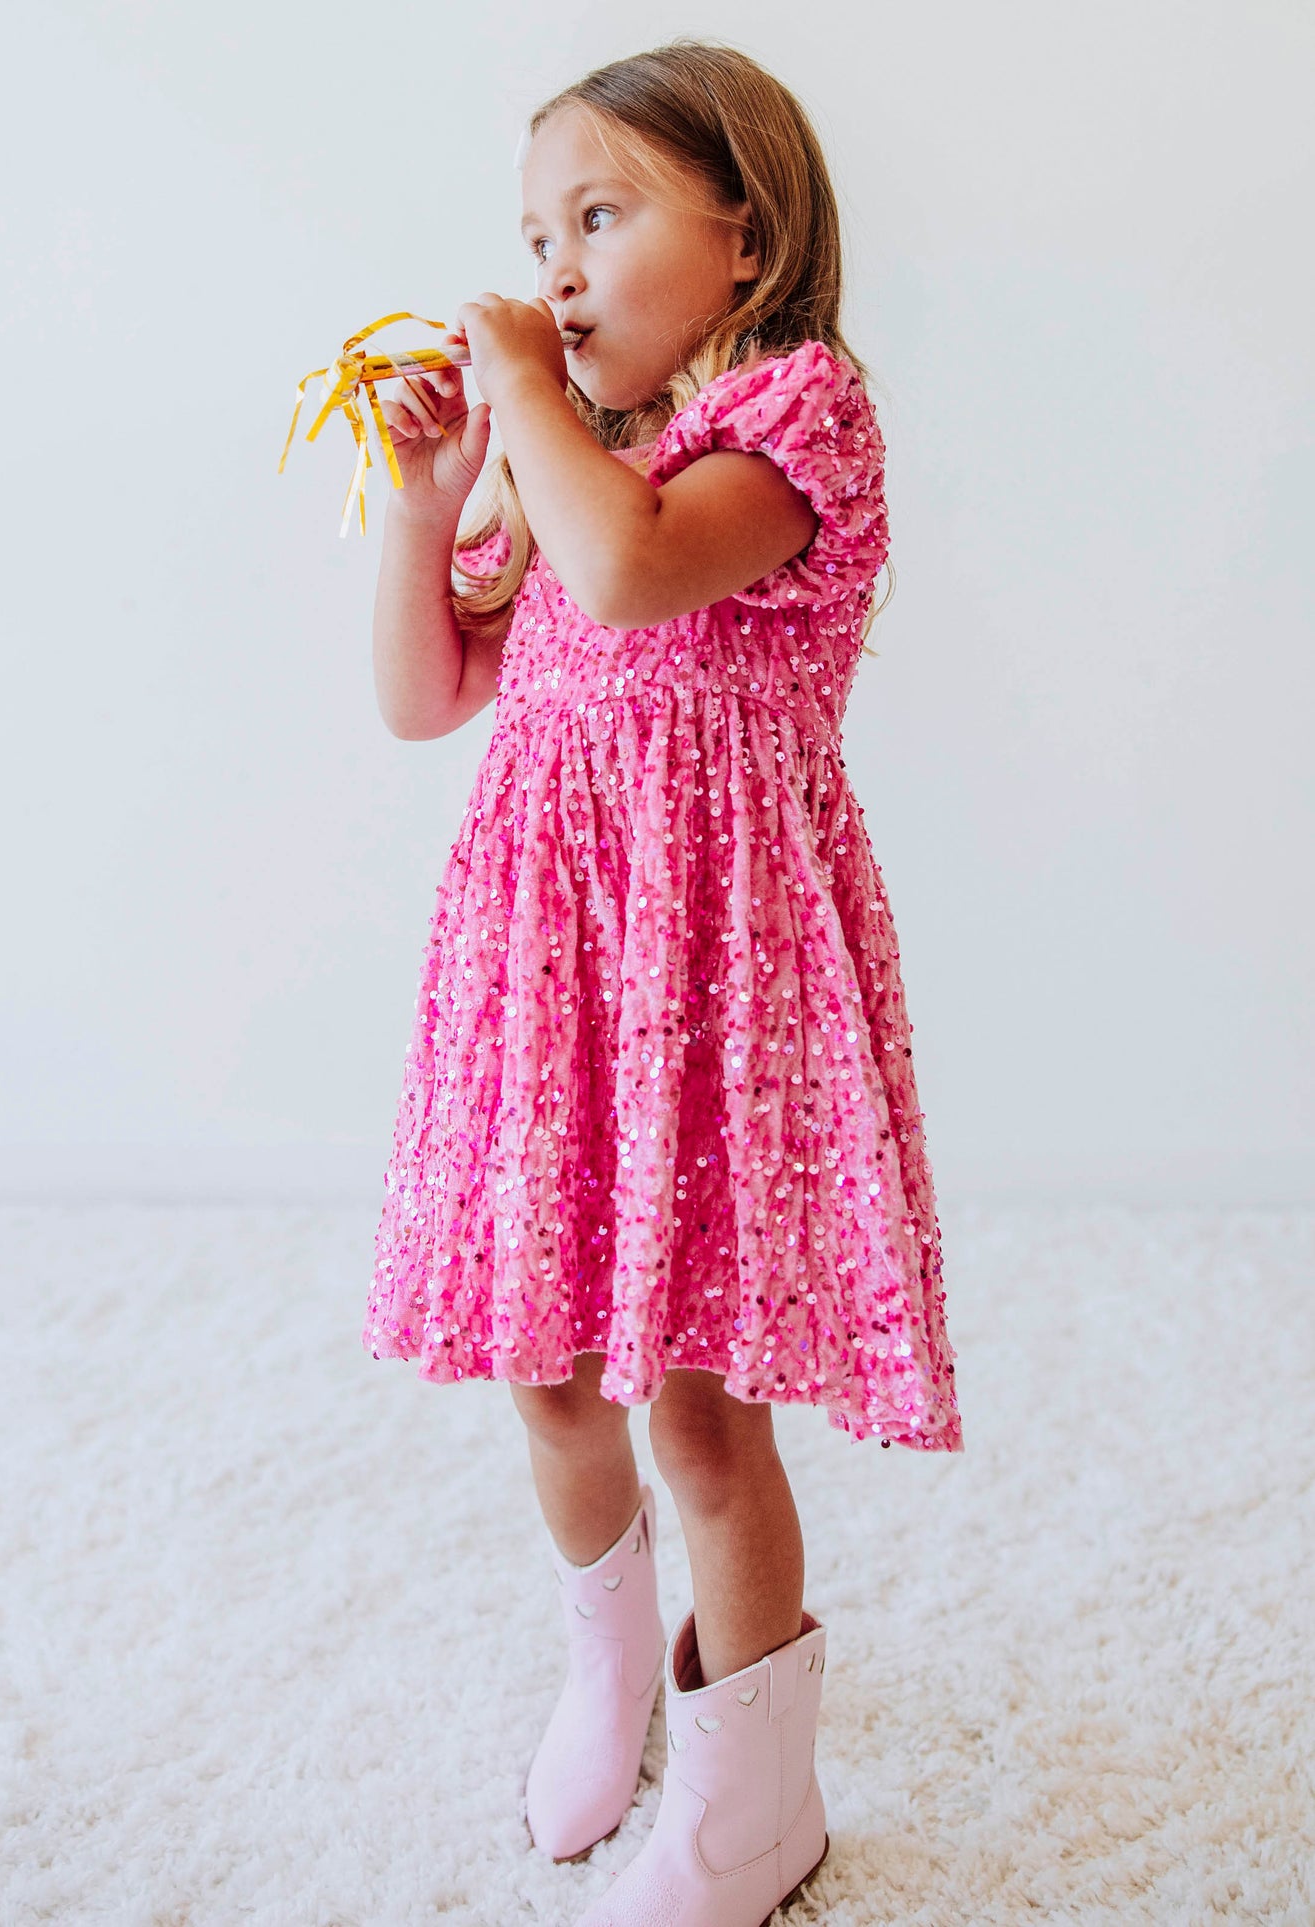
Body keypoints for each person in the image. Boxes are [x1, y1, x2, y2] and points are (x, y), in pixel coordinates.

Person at [360, 38, 962, 1925]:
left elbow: (629, 579)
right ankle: (606, 1669)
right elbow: (423, 697)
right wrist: (427, 497)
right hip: (552, 969)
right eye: (534, 236)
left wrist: (533, 403)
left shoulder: (794, 421)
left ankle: (751, 1799)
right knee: (545, 1373)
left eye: (599, 218)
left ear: (746, 237)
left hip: (709, 976)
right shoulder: (575, 456)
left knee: (701, 1409)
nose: (551, 268)